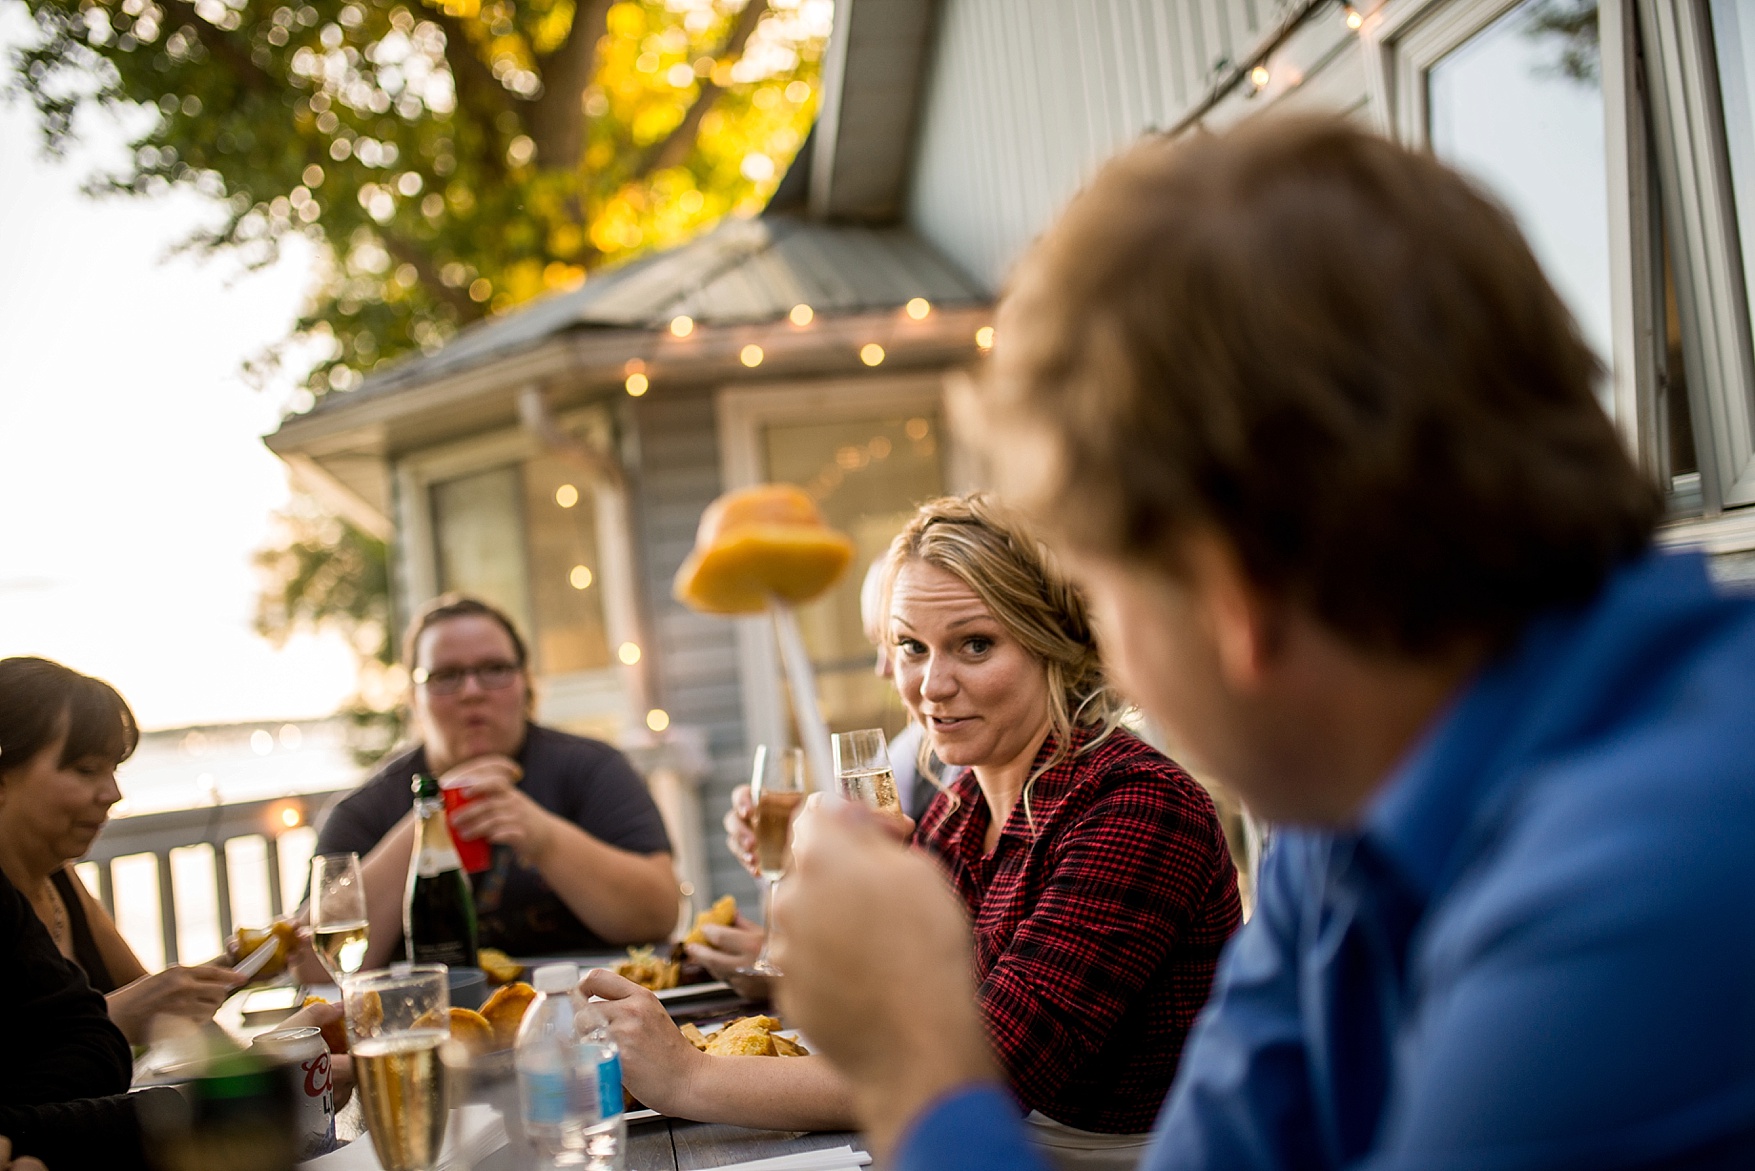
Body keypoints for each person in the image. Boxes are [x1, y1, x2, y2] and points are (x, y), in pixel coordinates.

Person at [768, 114, 1755, 1169]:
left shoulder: (1646, 896)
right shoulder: (1341, 828)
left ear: (1229, 598)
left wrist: (915, 1069)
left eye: (1103, 594)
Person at [586, 494, 1241, 1169]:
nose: (931, 684)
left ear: (1054, 641)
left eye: (974, 644)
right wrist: (791, 937)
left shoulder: (1133, 804)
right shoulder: (961, 805)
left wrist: (688, 1077)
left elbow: (981, 1069)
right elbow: (909, 1006)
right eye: (910, 646)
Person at [313, 595, 677, 969]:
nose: (472, 691)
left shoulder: (594, 770)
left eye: (495, 669)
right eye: (445, 677)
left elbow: (661, 914)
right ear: (413, 698)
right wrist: (430, 820)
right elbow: (318, 965)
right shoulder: (364, 810)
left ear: (526, 684)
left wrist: (546, 839)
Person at [0, 657, 246, 1044]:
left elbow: (146, 998)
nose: (113, 794)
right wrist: (118, 1017)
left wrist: (234, 970)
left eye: (114, 769)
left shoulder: (58, 878)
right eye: (86, 770)